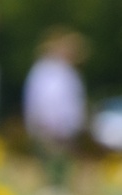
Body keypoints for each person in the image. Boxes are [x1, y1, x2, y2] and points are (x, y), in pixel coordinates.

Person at [23, 28, 88, 186]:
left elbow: (74, 102)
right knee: (48, 163)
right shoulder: (44, 71)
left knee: (63, 164)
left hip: (65, 128)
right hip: (46, 125)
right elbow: (37, 99)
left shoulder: (69, 72)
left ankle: (60, 190)